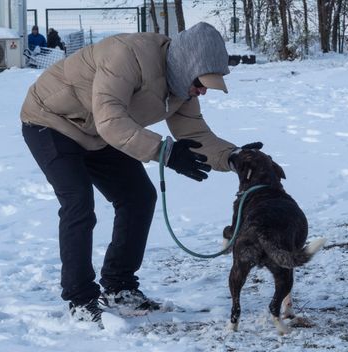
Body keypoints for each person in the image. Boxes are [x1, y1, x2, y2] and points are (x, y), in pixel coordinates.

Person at [20, 22, 260, 328]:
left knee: (138, 197)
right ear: (187, 66)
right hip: (52, 121)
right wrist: (166, 153)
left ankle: (119, 287)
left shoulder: (181, 88)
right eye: (201, 83)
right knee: (78, 201)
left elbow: (195, 133)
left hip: (99, 131)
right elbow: (111, 121)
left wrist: (234, 157)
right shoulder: (127, 56)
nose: (202, 91)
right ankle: (80, 299)